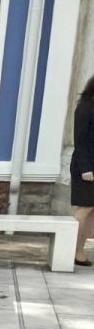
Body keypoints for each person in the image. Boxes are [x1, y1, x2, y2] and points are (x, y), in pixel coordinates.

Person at [71, 76, 94, 266]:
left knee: (91, 211)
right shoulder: (85, 107)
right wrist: (86, 168)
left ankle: (80, 251)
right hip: (85, 167)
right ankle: (72, 250)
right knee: (85, 208)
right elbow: (80, 140)